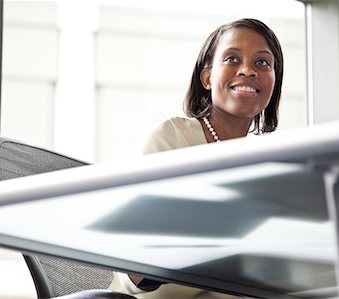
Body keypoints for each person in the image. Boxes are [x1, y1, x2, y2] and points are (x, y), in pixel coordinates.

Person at [109, 18, 284, 298]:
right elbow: (130, 269)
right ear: (207, 77)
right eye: (232, 58)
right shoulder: (171, 139)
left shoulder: (271, 167)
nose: (248, 70)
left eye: (263, 63)